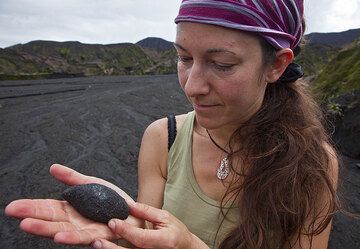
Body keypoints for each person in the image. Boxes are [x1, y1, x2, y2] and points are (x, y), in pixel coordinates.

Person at [5, 0, 339, 248]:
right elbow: (150, 236)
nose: (192, 86)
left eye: (221, 64)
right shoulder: (162, 138)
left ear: (276, 65)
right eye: (184, 58)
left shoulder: (311, 162)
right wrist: (125, 223)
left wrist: (190, 245)